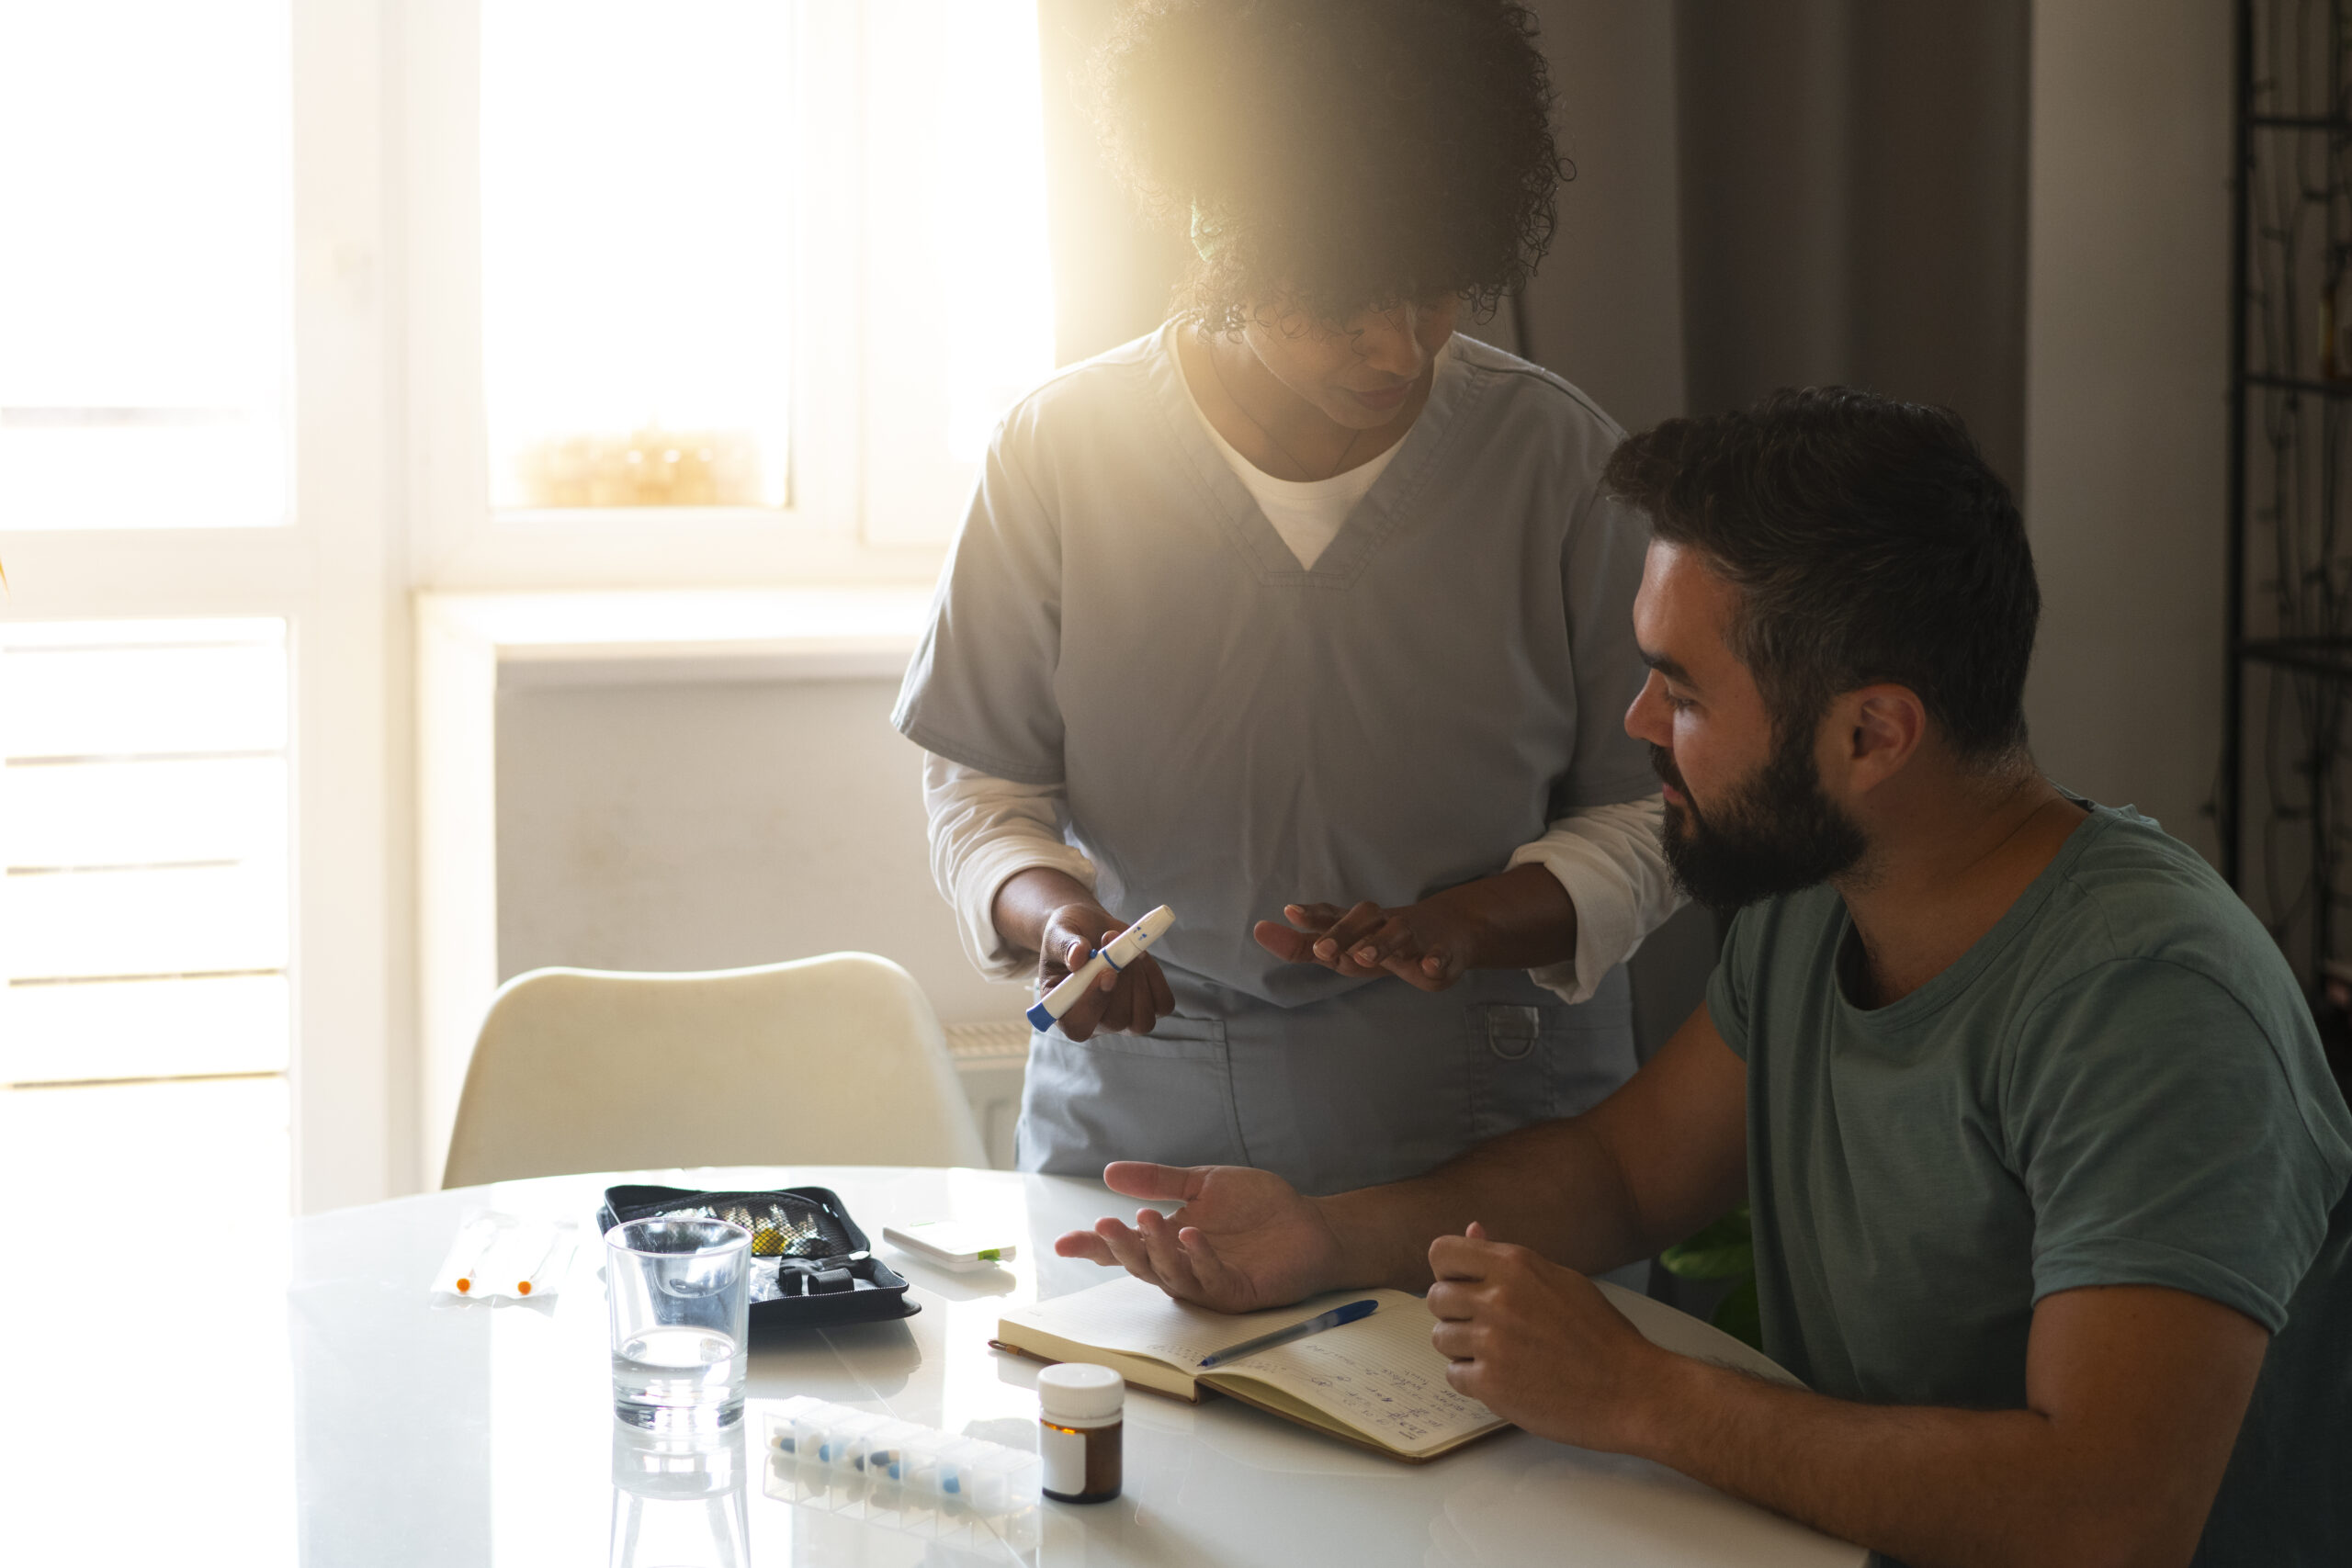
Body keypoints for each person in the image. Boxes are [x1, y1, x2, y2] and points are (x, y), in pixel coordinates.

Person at [1055, 389, 2352, 1565]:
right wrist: (1322, 1238)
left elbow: (2108, 1517)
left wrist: (1640, 1395)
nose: (1634, 727)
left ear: (1871, 733)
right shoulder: (1819, 900)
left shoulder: (2154, 1004)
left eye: (1680, 692)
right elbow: (1620, 1173)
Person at [894, 0, 1679, 1196]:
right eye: (1342, 307)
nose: (1399, 350)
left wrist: (1475, 921)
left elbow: (1663, 809)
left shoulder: (1558, 464)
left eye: (1434, 294)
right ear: (1218, 228)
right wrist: (1054, 916)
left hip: (1482, 1129)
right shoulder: (1059, 455)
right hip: (1142, 1123)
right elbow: (983, 784)